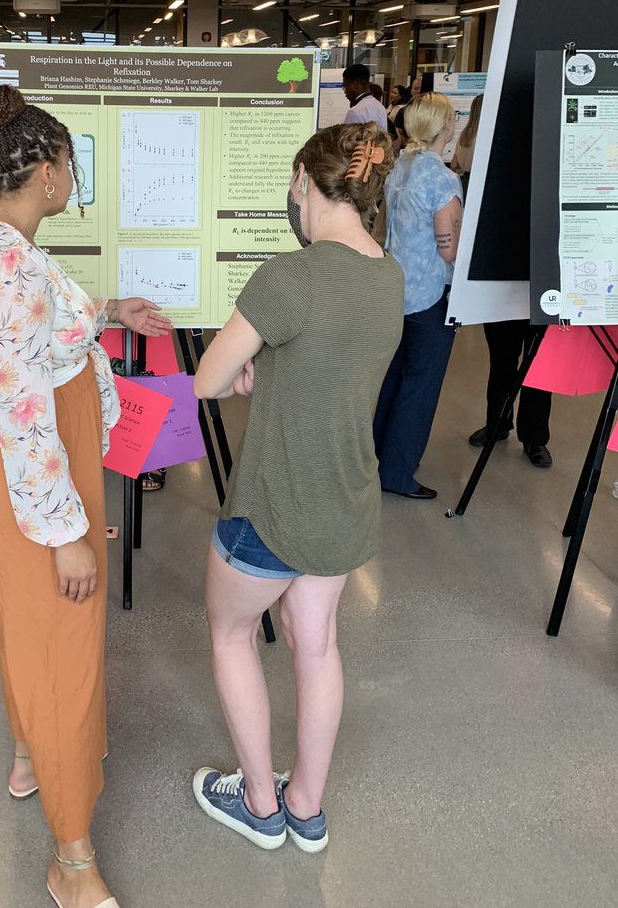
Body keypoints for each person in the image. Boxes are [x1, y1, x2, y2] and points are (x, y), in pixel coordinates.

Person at [0, 83, 170, 908]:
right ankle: (72, 859)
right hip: (34, 455)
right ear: (46, 173)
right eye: (71, 165)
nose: (74, 178)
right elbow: (23, 407)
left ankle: (29, 752)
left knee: (28, 614)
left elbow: (38, 328)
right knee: (64, 635)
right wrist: (66, 530)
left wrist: (108, 311)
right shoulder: (4, 263)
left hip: (37, 446)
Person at [190, 123, 403, 854]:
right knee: (317, 648)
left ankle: (259, 802)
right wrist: (271, 372)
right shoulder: (388, 275)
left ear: (306, 183)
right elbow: (329, 367)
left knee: (231, 634)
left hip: (274, 504)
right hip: (345, 498)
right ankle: (306, 807)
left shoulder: (290, 275)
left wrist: (244, 374)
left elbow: (208, 379)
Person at [373, 93, 462, 499]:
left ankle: (379, 457)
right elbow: (450, 249)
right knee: (420, 385)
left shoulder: (400, 166)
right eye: (452, 117)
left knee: (395, 376)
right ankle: (397, 472)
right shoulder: (441, 178)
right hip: (429, 295)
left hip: (396, 290)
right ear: (442, 126)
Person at [468, 323, 553, 467]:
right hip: (503, 311)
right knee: (501, 362)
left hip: (543, 311)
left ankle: (534, 437)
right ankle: (497, 425)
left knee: (539, 368)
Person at [450, 93, 482, 199]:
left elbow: (454, 164)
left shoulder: (465, 134)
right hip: (481, 183)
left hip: (465, 183)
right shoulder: (486, 136)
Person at [342, 63, 388, 132]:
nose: (345, 91)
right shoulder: (380, 107)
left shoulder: (355, 111)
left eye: (345, 86)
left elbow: (348, 138)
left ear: (355, 84)